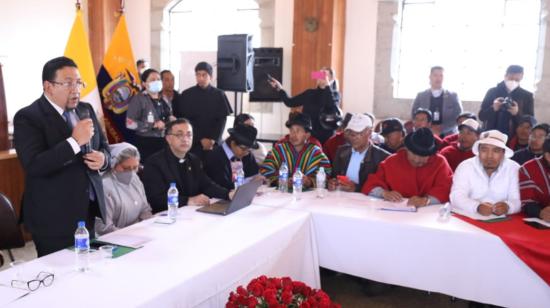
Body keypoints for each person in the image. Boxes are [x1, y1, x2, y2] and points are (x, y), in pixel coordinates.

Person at [13, 56, 110, 257]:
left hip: (87, 211)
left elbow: (104, 147)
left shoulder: (86, 109)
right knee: (58, 279)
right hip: (53, 216)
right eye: (68, 83)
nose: (76, 89)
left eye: (78, 82)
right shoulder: (28, 117)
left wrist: (103, 160)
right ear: (48, 86)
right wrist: (74, 142)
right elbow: (34, 165)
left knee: (87, 272)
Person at [142, 118, 231, 214]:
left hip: (190, 214)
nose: (185, 139)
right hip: (166, 217)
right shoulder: (154, 163)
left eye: (189, 135)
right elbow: (156, 199)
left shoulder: (194, 160)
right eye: (179, 135)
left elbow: (206, 185)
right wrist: (188, 200)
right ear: (168, 139)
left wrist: (228, 194)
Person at [361, 127, 453, 206]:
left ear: (431, 154)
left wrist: (427, 200)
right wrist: (384, 193)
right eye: (413, 153)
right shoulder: (392, 161)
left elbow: (446, 189)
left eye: (423, 156)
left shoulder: (440, 163)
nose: (417, 160)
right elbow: (371, 184)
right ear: (406, 149)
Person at [450, 130, 521, 216]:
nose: (489, 156)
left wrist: (508, 207)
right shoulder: (465, 166)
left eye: (496, 151)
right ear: (478, 151)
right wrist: (476, 206)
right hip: (469, 218)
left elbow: (518, 200)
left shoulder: (514, 168)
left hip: (503, 220)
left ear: (503, 153)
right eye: (484, 150)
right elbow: (456, 196)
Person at [173, 62, 233, 160]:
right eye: (198, 75)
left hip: (213, 144)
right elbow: (185, 120)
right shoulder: (187, 94)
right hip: (193, 142)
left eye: (204, 75)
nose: (201, 78)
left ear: (211, 76)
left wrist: (213, 139)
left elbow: (222, 120)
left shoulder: (219, 95)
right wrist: (200, 139)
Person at [268, 67, 340, 144]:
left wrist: (327, 85)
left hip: (326, 137)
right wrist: (279, 88)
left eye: (324, 74)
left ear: (332, 79)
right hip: (310, 136)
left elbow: (331, 107)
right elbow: (290, 102)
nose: (321, 76)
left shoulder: (335, 94)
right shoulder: (310, 93)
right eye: (319, 73)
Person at [260, 113, 332, 188]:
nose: (294, 134)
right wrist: (281, 181)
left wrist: (309, 181)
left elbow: (326, 174)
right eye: (291, 130)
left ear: (307, 135)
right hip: (281, 195)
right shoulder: (279, 150)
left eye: (298, 131)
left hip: (308, 197)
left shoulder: (315, 152)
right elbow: (265, 170)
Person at [95, 143, 152, 235]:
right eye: (126, 168)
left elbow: (145, 210)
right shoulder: (104, 185)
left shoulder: (135, 179)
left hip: (137, 234)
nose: (131, 172)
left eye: (135, 168)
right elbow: (104, 227)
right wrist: (128, 235)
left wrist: (149, 225)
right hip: (114, 238)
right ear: (113, 165)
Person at [329, 114, 390, 192]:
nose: (353, 137)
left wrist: (357, 188)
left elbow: (383, 189)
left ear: (370, 133)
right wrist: (332, 183)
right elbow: (334, 177)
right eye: (350, 133)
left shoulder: (383, 157)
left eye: (358, 133)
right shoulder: (341, 152)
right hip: (342, 199)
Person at [126, 68, 174, 160]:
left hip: (165, 141)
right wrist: (152, 125)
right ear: (144, 83)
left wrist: (171, 119)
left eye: (158, 79)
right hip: (146, 143)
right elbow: (129, 123)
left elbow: (169, 115)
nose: (156, 82)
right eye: (152, 80)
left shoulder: (164, 98)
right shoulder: (138, 99)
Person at [478, 65, 534, 138]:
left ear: (521, 78)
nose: (513, 82)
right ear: (505, 76)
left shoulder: (527, 96)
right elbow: (481, 116)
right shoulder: (492, 92)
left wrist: (517, 113)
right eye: (511, 79)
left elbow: (531, 122)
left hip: (514, 137)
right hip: (491, 134)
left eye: (517, 80)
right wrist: (493, 108)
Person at [411, 66, 463, 137]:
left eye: (441, 75)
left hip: (448, 135)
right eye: (435, 75)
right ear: (430, 77)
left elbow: (459, 117)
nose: (438, 78)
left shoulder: (453, 96)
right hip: (425, 135)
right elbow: (414, 115)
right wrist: (428, 128)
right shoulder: (421, 96)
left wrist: (442, 128)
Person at [204, 125, 260, 190]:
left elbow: (253, 174)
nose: (246, 153)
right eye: (243, 149)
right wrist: (249, 182)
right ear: (233, 143)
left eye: (249, 150)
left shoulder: (246, 154)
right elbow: (222, 186)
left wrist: (257, 179)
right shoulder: (215, 157)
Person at [519, 137, 550, 221]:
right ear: (548, 156)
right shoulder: (529, 169)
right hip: (540, 221)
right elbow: (526, 203)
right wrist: (540, 212)